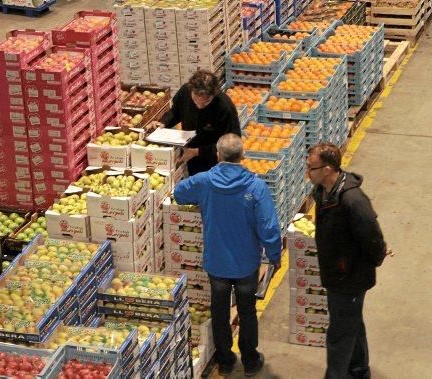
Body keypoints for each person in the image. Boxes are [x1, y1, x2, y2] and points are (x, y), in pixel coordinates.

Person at [174, 133, 282, 377]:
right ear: (243, 156)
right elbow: (268, 226)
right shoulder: (256, 187)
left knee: (220, 310)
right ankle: (251, 360)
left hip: (217, 262)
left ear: (218, 155)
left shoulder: (205, 182)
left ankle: (225, 359)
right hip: (246, 264)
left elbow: (180, 192)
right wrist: (274, 254)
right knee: (247, 310)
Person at [306, 143, 391, 379]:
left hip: (350, 276)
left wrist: (377, 256)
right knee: (352, 322)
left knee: (339, 334)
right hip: (337, 273)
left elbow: (372, 235)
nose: (307, 173)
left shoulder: (352, 200)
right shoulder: (322, 191)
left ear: (328, 169)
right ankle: (359, 370)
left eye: (311, 168)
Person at [160, 70, 241, 176]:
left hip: (215, 162)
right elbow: (176, 112)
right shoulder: (185, 91)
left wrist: (197, 152)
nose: (199, 106)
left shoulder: (225, 107)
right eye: (195, 101)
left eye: (205, 102)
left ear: (214, 93)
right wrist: (163, 123)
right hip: (189, 152)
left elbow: (232, 143)